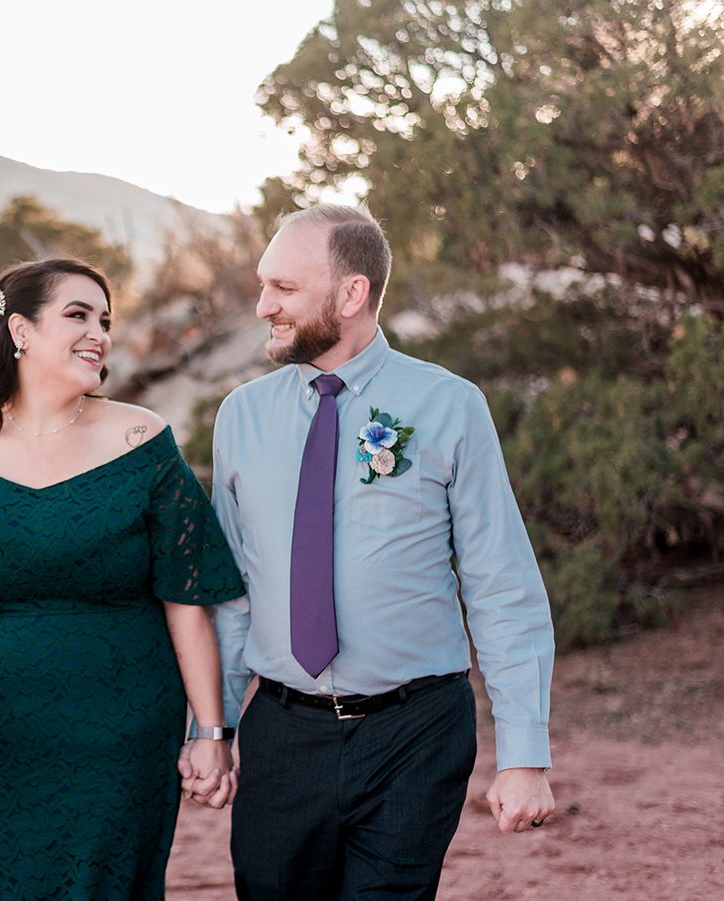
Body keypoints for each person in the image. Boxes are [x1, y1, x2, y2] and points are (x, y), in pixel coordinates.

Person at [191, 205, 556, 899]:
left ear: (351, 293)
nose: (264, 305)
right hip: (283, 736)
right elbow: (233, 595)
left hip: (414, 735)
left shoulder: (451, 406)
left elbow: (500, 583)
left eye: (285, 288)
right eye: (264, 285)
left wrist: (524, 754)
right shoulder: (241, 415)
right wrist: (213, 727)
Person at [0, 258, 245, 900]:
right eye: (77, 315)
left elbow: (188, 604)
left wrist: (210, 733)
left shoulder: (143, 439)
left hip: (122, 728)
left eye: (104, 320)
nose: (98, 333)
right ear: (19, 330)